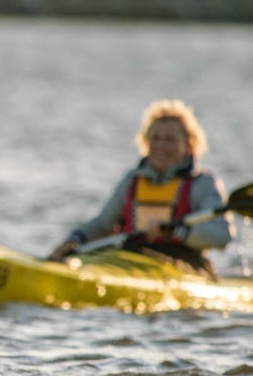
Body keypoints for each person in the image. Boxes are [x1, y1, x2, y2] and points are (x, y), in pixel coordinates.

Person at [48, 99, 234, 276]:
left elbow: (222, 236)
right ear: (146, 142)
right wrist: (74, 240)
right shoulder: (133, 180)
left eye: (170, 140)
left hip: (185, 265)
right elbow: (103, 224)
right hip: (131, 259)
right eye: (155, 138)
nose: (160, 146)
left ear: (188, 145)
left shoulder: (201, 183)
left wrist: (176, 232)